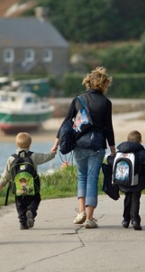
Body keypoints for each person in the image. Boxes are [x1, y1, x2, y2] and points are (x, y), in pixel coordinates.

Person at [51, 66, 116, 229]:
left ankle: (80, 211)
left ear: (88, 82)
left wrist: (56, 142)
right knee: (92, 179)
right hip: (97, 145)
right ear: (104, 84)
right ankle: (90, 218)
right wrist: (113, 148)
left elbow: (66, 122)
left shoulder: (78, 99)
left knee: (82, 176)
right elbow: (109, 126)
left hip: (79, 143)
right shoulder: (106, 103)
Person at [0, 132, 56, 230]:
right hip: (32, 186)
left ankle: (23, 223)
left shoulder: (12, 158)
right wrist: (53, 152)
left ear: (16, 144)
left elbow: (6, 173)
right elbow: (46, 157)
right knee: (36, 199)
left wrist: (1, 184)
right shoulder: (33, 156)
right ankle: (31, 212)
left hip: (18, 188)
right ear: (29, 144)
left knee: (20, 204)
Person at [115, 130, 145, 231]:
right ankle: (135, 220)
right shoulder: (142, 152)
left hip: (124, 180)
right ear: (140, 141)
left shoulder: (121, 150)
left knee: (127, 198)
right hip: (138, 181)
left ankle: (125, 220)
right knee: (135, 199)